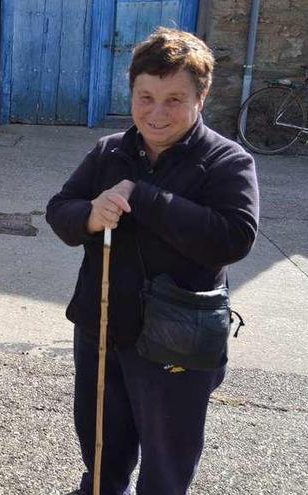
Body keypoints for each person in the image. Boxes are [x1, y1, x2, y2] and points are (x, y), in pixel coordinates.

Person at [46, 28, 259, 494]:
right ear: (132, 93)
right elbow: (59, 211)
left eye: (173, 100)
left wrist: (144, 197)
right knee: (102, 449)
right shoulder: (109, 151)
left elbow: (233, 238)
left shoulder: (227, 161)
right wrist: (88, 215)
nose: (156, 113)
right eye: (146, 97)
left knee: (167, 464)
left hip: (179, 343)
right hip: (102, 329)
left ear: (200, 98)